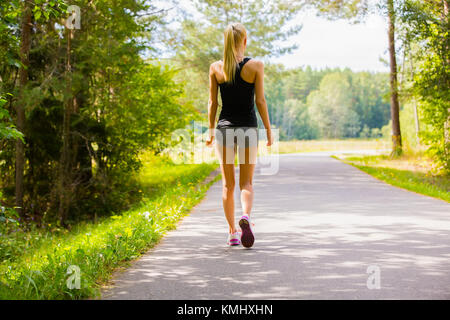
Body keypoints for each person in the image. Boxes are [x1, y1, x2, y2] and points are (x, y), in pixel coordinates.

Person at [206, 22, 273, 248]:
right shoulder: (255, 66)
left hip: (224, 128)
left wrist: (209, 130)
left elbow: (213, 102)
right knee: (246, 182)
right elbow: (260, 101)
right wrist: (269, 130)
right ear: (244, 41)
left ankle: (233, 231)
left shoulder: (216, 68)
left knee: (227, 185)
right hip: (247, 128)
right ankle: (245, 216)